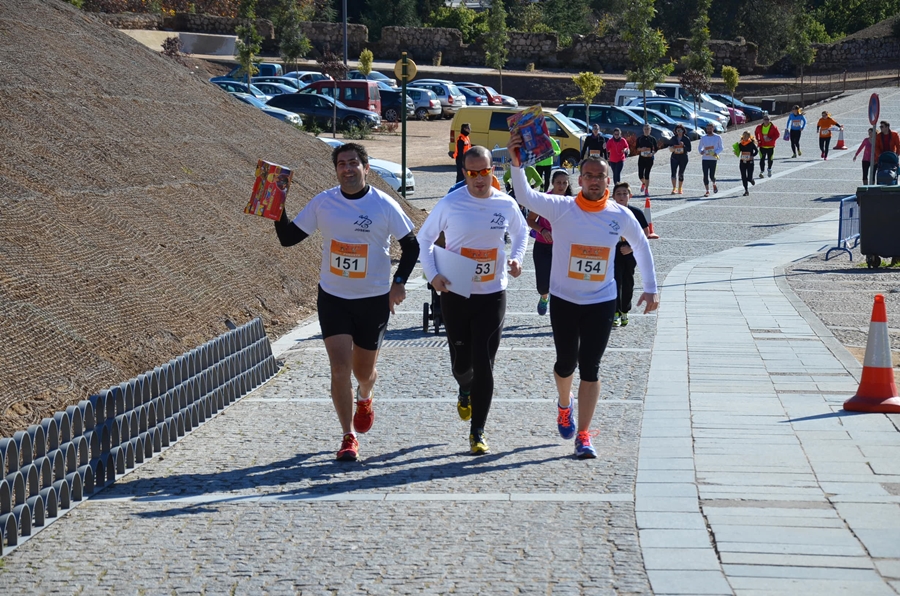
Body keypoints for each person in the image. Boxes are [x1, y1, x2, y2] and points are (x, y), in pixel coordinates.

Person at [507, 134, 660, 459]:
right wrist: (517, 163)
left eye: (599, 176)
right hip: (564, 299)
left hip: (601, 301)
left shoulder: (619, 214)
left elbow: (642, 244)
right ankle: (565, 404)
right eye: (587, 176)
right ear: (580, 179)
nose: (593, 181)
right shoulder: (561, 208)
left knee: (590, 366)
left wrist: (651, 287)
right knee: (565, 363)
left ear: (609, 179)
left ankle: (584, 434)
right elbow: (523, 195)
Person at [273, 142, 419, 461]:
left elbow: (412, 246)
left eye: (353, 162)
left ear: (366, 168)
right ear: (336, 169)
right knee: (339, 368)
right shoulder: (324, 203)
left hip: (373, 300)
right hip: (334, 298)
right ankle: (348, 436)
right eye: (341, 163)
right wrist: (276, 204)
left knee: (363, 372)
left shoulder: (383, 204)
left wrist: (398, 284)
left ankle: (365, 396)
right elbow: (288, 238)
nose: (347, 168)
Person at [417, 145, 528, 455]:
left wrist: (517, 259)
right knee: (462, 363)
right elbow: (424, 239)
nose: (479, 179)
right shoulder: (451, 203)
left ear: (493, 170)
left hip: (492, 292)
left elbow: (522, 233)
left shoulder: (505, 204)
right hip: (455, 291)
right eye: (472, 172)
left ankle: (477, 429)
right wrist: (433, 274)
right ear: (464, 172)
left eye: (484, 171)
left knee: (485, 363)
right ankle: (464, 388)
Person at [526, 169, 571, 316]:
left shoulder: (572, 202)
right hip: (542, 246)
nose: (561, 186)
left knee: (562, 283)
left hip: (562, 248)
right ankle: (544, 297)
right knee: (543, 284)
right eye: (558, 182)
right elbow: (530, 220)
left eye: (565, 182)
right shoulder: (543, 200)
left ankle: (559, 308)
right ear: (552, 183)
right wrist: (542, 230)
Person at [611, 182, 656, 328]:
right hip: (613, 251)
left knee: (627, 281)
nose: (622, 196)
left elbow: (646, 232)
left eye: (625, 193)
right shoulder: (609, 212)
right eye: (619, 194)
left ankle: (625, 310)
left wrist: (631, 247)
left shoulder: (636, 212)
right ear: (613, 196)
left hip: (630, 253)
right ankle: (615, 313)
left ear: (630, 195)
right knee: (614, 281)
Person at [697, 122, 723, 197]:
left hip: (713, 158)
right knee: (705, 175)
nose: (709, 130)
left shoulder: (718, 137)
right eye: (708, 128)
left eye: (710, 128)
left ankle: (714, 183)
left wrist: (716, 152)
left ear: (713, 128)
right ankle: (707, 190)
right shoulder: (703, 137)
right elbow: (700, 147)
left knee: (712, 175)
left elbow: (721, 147)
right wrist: (701, 151)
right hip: (705, 158)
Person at [635, 124, 658, 198]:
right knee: (640, 175)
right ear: (643, 130)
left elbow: (656, 148)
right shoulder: (640, 138)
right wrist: (641, 149)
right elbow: (637, 148)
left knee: (647, 174)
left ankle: (646, 190)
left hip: (649, 158)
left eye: (648, 129)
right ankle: (644, 183)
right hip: (642, 158)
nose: (646, 130)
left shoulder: (652, 139)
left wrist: (652, 153)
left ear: (650, 130)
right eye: (645, 129)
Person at [668, 125, 691, 195]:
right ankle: (674, 188)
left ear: (683, 131)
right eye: (678, 131)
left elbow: (689, 149)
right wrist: (672, 147)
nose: (679, 132)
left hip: (683, 158)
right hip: (674, 157)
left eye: (680, 130)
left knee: (681, 173)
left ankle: (680, 188)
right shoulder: (673, 138)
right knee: (673, 173)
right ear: (676, 131)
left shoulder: (686, 138)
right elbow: (669, 146)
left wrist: (683, 145)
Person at [734, 131, 758, 196]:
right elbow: (738, 152)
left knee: (749, 177)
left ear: (749, 137)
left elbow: (756, 151)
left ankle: (751, 179)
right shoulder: (741, 144)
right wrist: (736, 152)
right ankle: (746, 190)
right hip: (743, 162)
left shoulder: (751, 143)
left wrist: (752, 156)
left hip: (750, 162)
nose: (744, 137)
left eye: (746, 136)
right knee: (743, 177)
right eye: (744, 135)